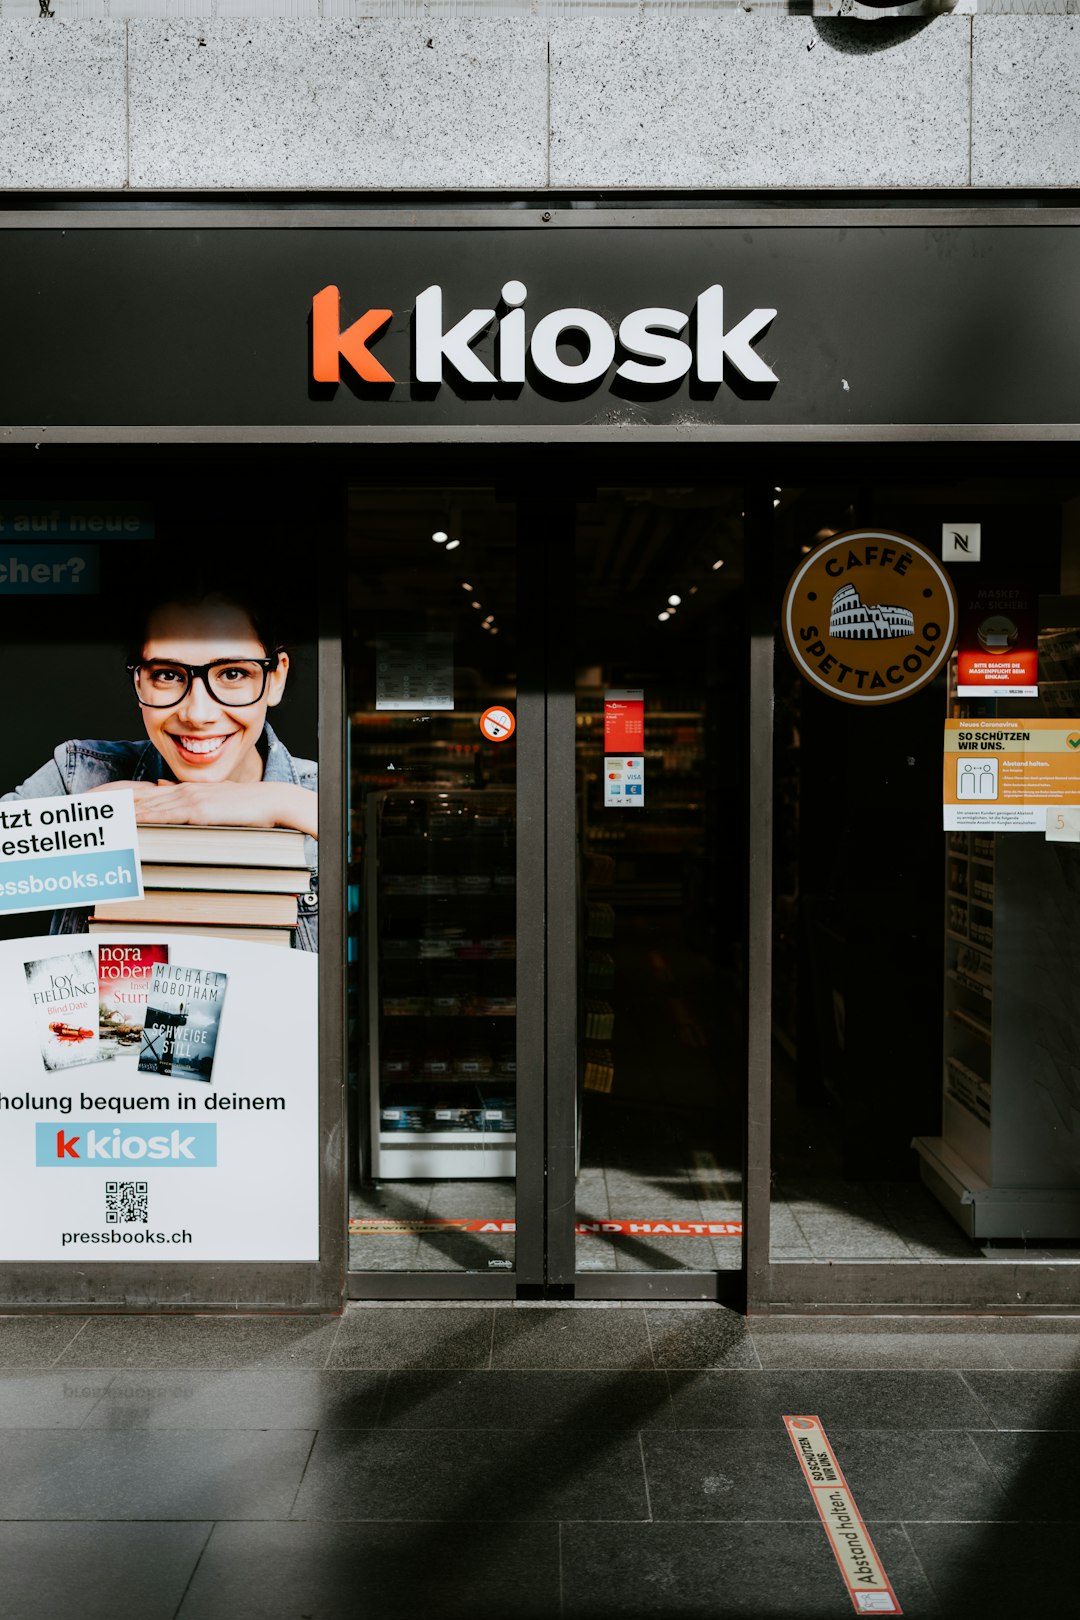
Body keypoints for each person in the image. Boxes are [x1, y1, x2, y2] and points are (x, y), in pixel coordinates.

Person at [2, 585, 318, 950]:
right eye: (168, 675)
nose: (198, 714)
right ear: (140, 681)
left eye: (232, 674)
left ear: (275, 678)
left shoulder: (322, 795)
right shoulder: (81, 777)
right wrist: (92, 818)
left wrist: (285, 804)